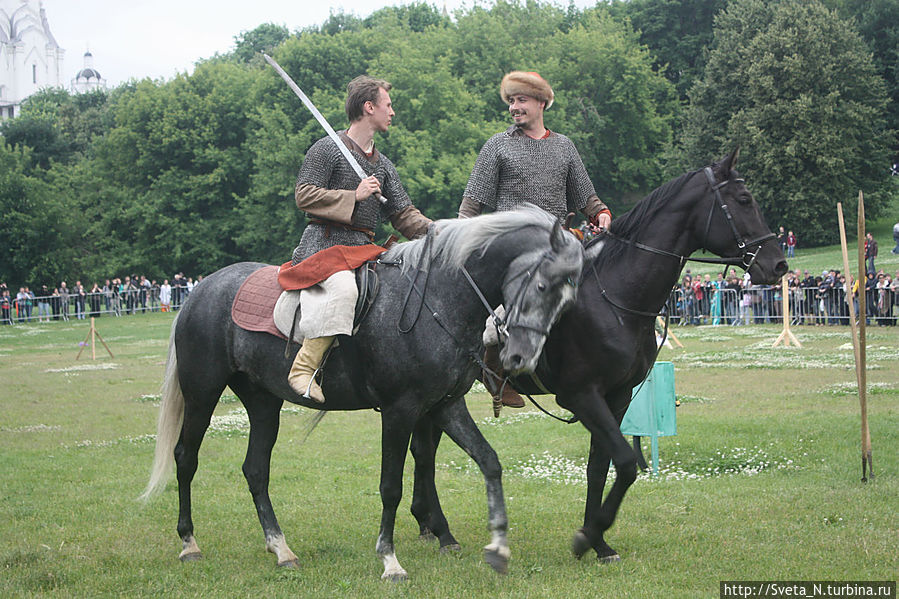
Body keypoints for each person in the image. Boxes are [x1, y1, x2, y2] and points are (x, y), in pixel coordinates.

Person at [458, 71, 612, 410]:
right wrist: (460, 242)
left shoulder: (564, 146)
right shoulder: (498, 145)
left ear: (542, 102)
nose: (514, 107)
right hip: (512, 248)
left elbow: (586, 197)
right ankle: (495, 373)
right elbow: (471, 205)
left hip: (556, 246)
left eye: (521, 100)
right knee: (498, 319)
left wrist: (600, 213)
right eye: (511, 101)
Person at [285, 75, 432, 403]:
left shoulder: (383, 165)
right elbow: (304, 195)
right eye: (388, 105)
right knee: (344, 290)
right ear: (369, 107)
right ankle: (303, 369)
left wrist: (440, 233)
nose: (392, 112)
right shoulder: (327, 148)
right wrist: (355, 195)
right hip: (324, 244)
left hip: (363, 250)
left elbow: (404, 214)